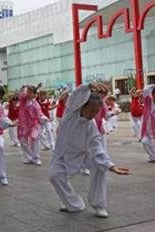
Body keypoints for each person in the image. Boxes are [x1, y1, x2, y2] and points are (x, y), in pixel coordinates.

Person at [49, 82, 130, 218]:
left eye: (97, 111)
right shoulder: (70, 114)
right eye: (91, 110)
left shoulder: (91, 125)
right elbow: (76, 95)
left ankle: (98, 204)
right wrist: (88, 86)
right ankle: (72, 202)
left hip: (85, 154)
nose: (93, 114)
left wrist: (111, 166)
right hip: (64, 153)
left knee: (100, 166)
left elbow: (97, 147)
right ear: (82, 106)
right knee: (55, 176)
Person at [18, 83, 51, 165]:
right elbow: (20, 93)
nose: (28, 94)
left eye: (30, 92)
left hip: (33, 125)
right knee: (22, 141)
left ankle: (36, 158)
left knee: (34, 139)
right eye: (27, 92)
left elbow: (39, 114)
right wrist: (23, 87)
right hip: (23, 125)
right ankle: (28, 157)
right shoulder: (23, 100)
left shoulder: (36, 105)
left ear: (35, 95)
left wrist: (45, 119)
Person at [140, 85, 155, 162]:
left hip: (154, 129)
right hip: (146, 127)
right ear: (153, 94)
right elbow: (145, 91)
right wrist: (153, 85)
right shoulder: (148, 100)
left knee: (153, 144)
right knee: (145, 142)